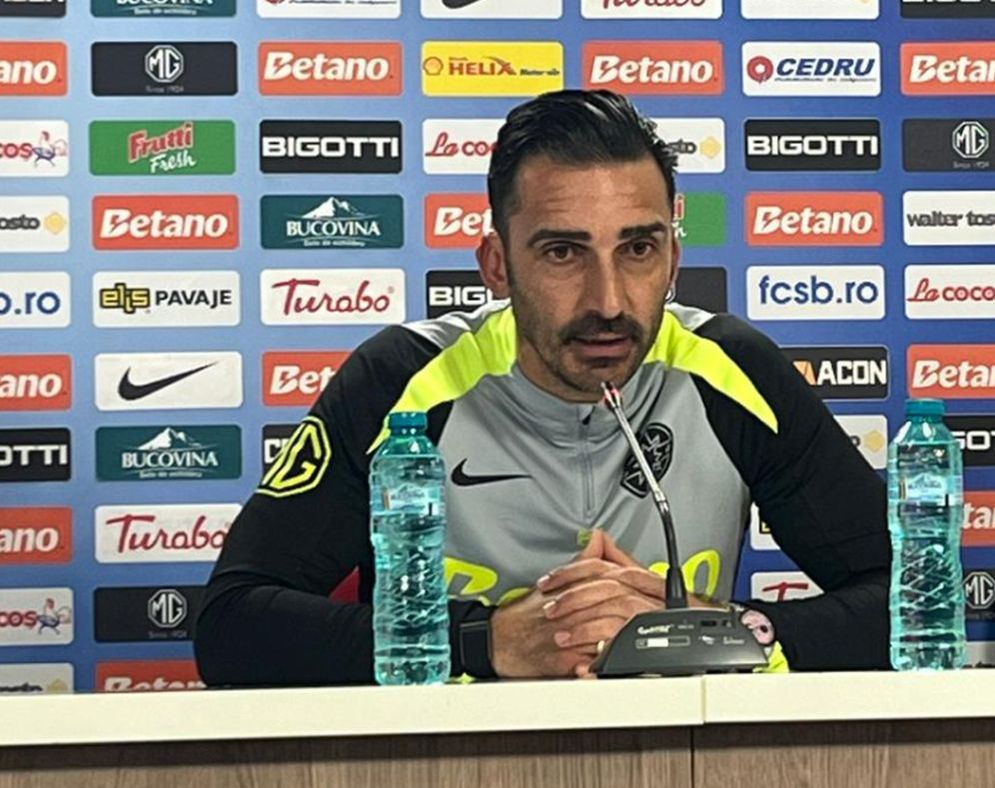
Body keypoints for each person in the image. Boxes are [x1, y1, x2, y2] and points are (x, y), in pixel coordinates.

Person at [194, 89, 889, 686]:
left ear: (674, 257)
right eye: (563, 252)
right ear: (497, 265)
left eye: (638, 249)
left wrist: (714, 632)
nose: (608, 301)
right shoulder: (402, 381)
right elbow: (232, 626)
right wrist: (487, 641)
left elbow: (915, 602)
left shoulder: (732, 370)